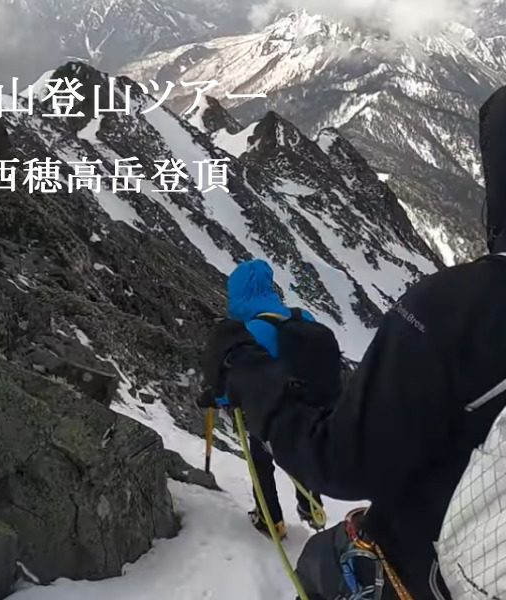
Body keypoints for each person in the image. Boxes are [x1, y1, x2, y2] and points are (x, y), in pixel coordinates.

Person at [200, 84, 506, 599]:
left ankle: (276, 516)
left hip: (430, 571)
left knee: (320, 565)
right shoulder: (309, 325)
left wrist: (249, 378)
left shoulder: (454, 310)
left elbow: (344, 461)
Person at [201, 258, 331, 538]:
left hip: (269, 414)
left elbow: (239, 377)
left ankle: (270, 520)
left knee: (261, 462)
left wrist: (217, 398)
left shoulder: (253, 331)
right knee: (301, 457)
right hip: (311, 409)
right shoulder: (303, 318)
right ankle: (312, 508)